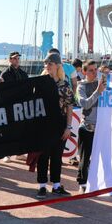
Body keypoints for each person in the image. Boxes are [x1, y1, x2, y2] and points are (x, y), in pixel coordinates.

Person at [36, 52, 75, 199]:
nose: (47, 66)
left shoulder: (64, 85)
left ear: (57, 66)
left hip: (60, 123)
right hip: (44, 124)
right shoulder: (41, 83)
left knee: (57, 156)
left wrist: (69, 127)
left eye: (50, 64)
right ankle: (42, 186)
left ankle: (57, 185)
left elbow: (70, 106)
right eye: (46, 64)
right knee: (43, 155)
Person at [76, 60, 107, 193]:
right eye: (91, 70)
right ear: (84, 72)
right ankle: (82, 183)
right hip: (88, 128)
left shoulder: (102, 83)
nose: (94, 73)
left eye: (96, 70)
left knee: (104, 157)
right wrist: (98, 92)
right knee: (85, 157)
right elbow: (85, 104)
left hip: (102, 127)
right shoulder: (80, 87)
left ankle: (103, 181)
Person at [0, 51, 28, 162]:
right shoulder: (5, 74)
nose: (17, 60)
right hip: (9, 106)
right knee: (8, 130)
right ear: (10, 60)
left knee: (20, 130)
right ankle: (7, 154)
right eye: (14, 58)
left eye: (18, 58)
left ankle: (19, 152)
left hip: (21, 106)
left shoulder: (23, 73)